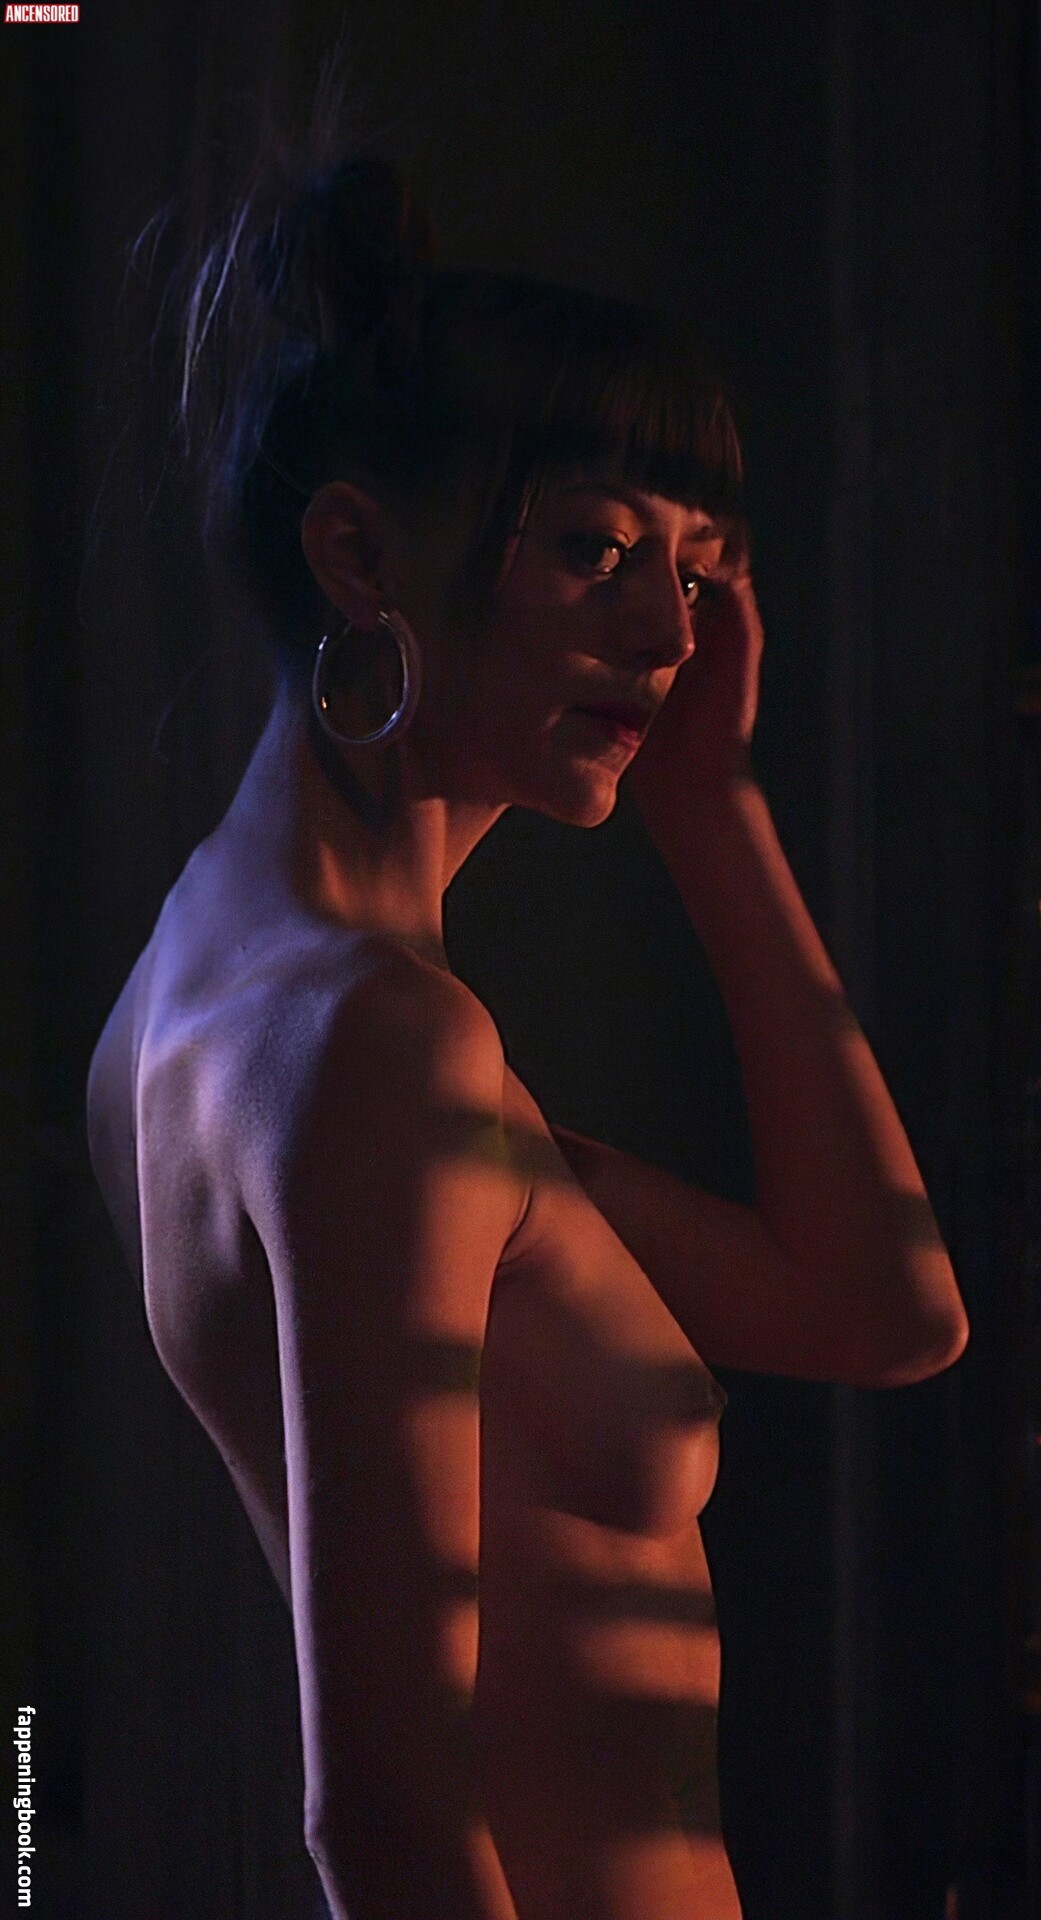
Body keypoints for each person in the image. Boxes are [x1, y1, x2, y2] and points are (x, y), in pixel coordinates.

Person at [86, 144, 969, 1920]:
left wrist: (710, 803)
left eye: (696, 572)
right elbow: (382, 1817)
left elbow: (881, 1313)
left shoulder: (228, 995)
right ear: (359, 554)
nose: (667, 634)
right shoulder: (373, 1041)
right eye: (595, 548)